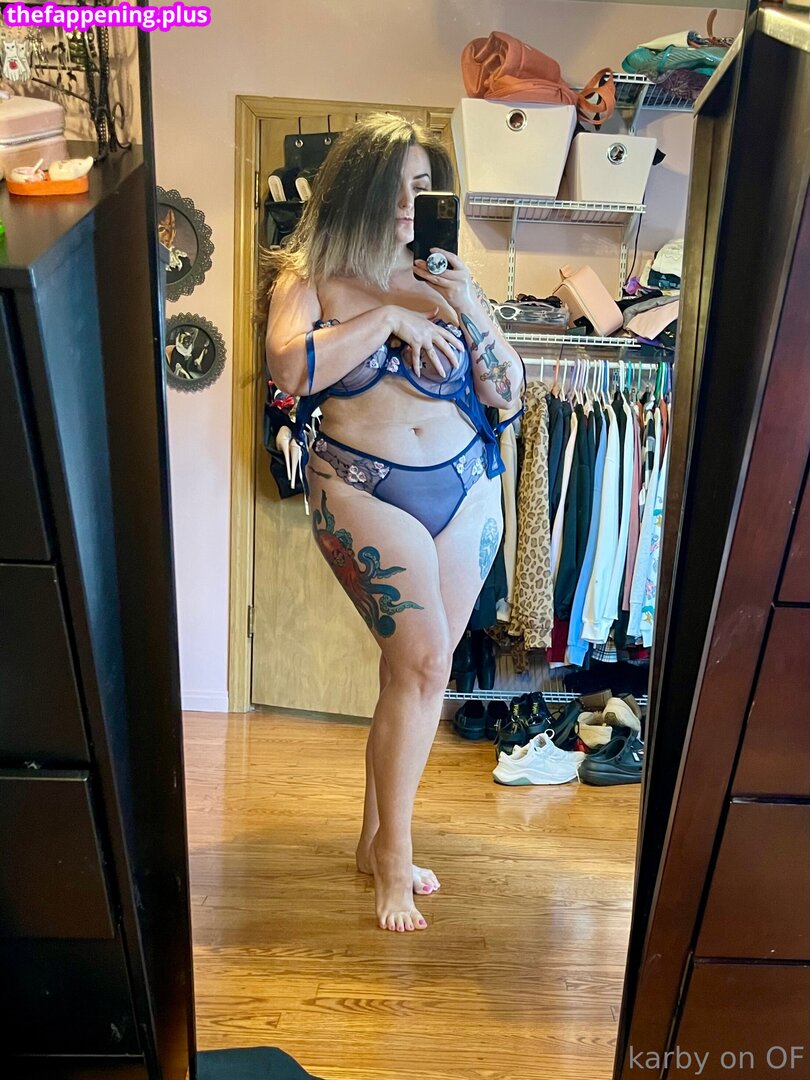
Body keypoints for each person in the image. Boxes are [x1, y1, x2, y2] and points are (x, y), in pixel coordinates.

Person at [257, 114, 525, 932]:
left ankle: (375, 839)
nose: (413, 203)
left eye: (425, 186)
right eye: (398, 185)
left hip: (466, 486)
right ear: (359, 187)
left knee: (415, 670)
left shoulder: (445, 275)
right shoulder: (311, 275)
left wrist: (466, 302)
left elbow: (507, 392)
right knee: (422, 663)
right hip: (362, 487)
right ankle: (393, 864)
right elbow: (287, 366)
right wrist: (386, 321)